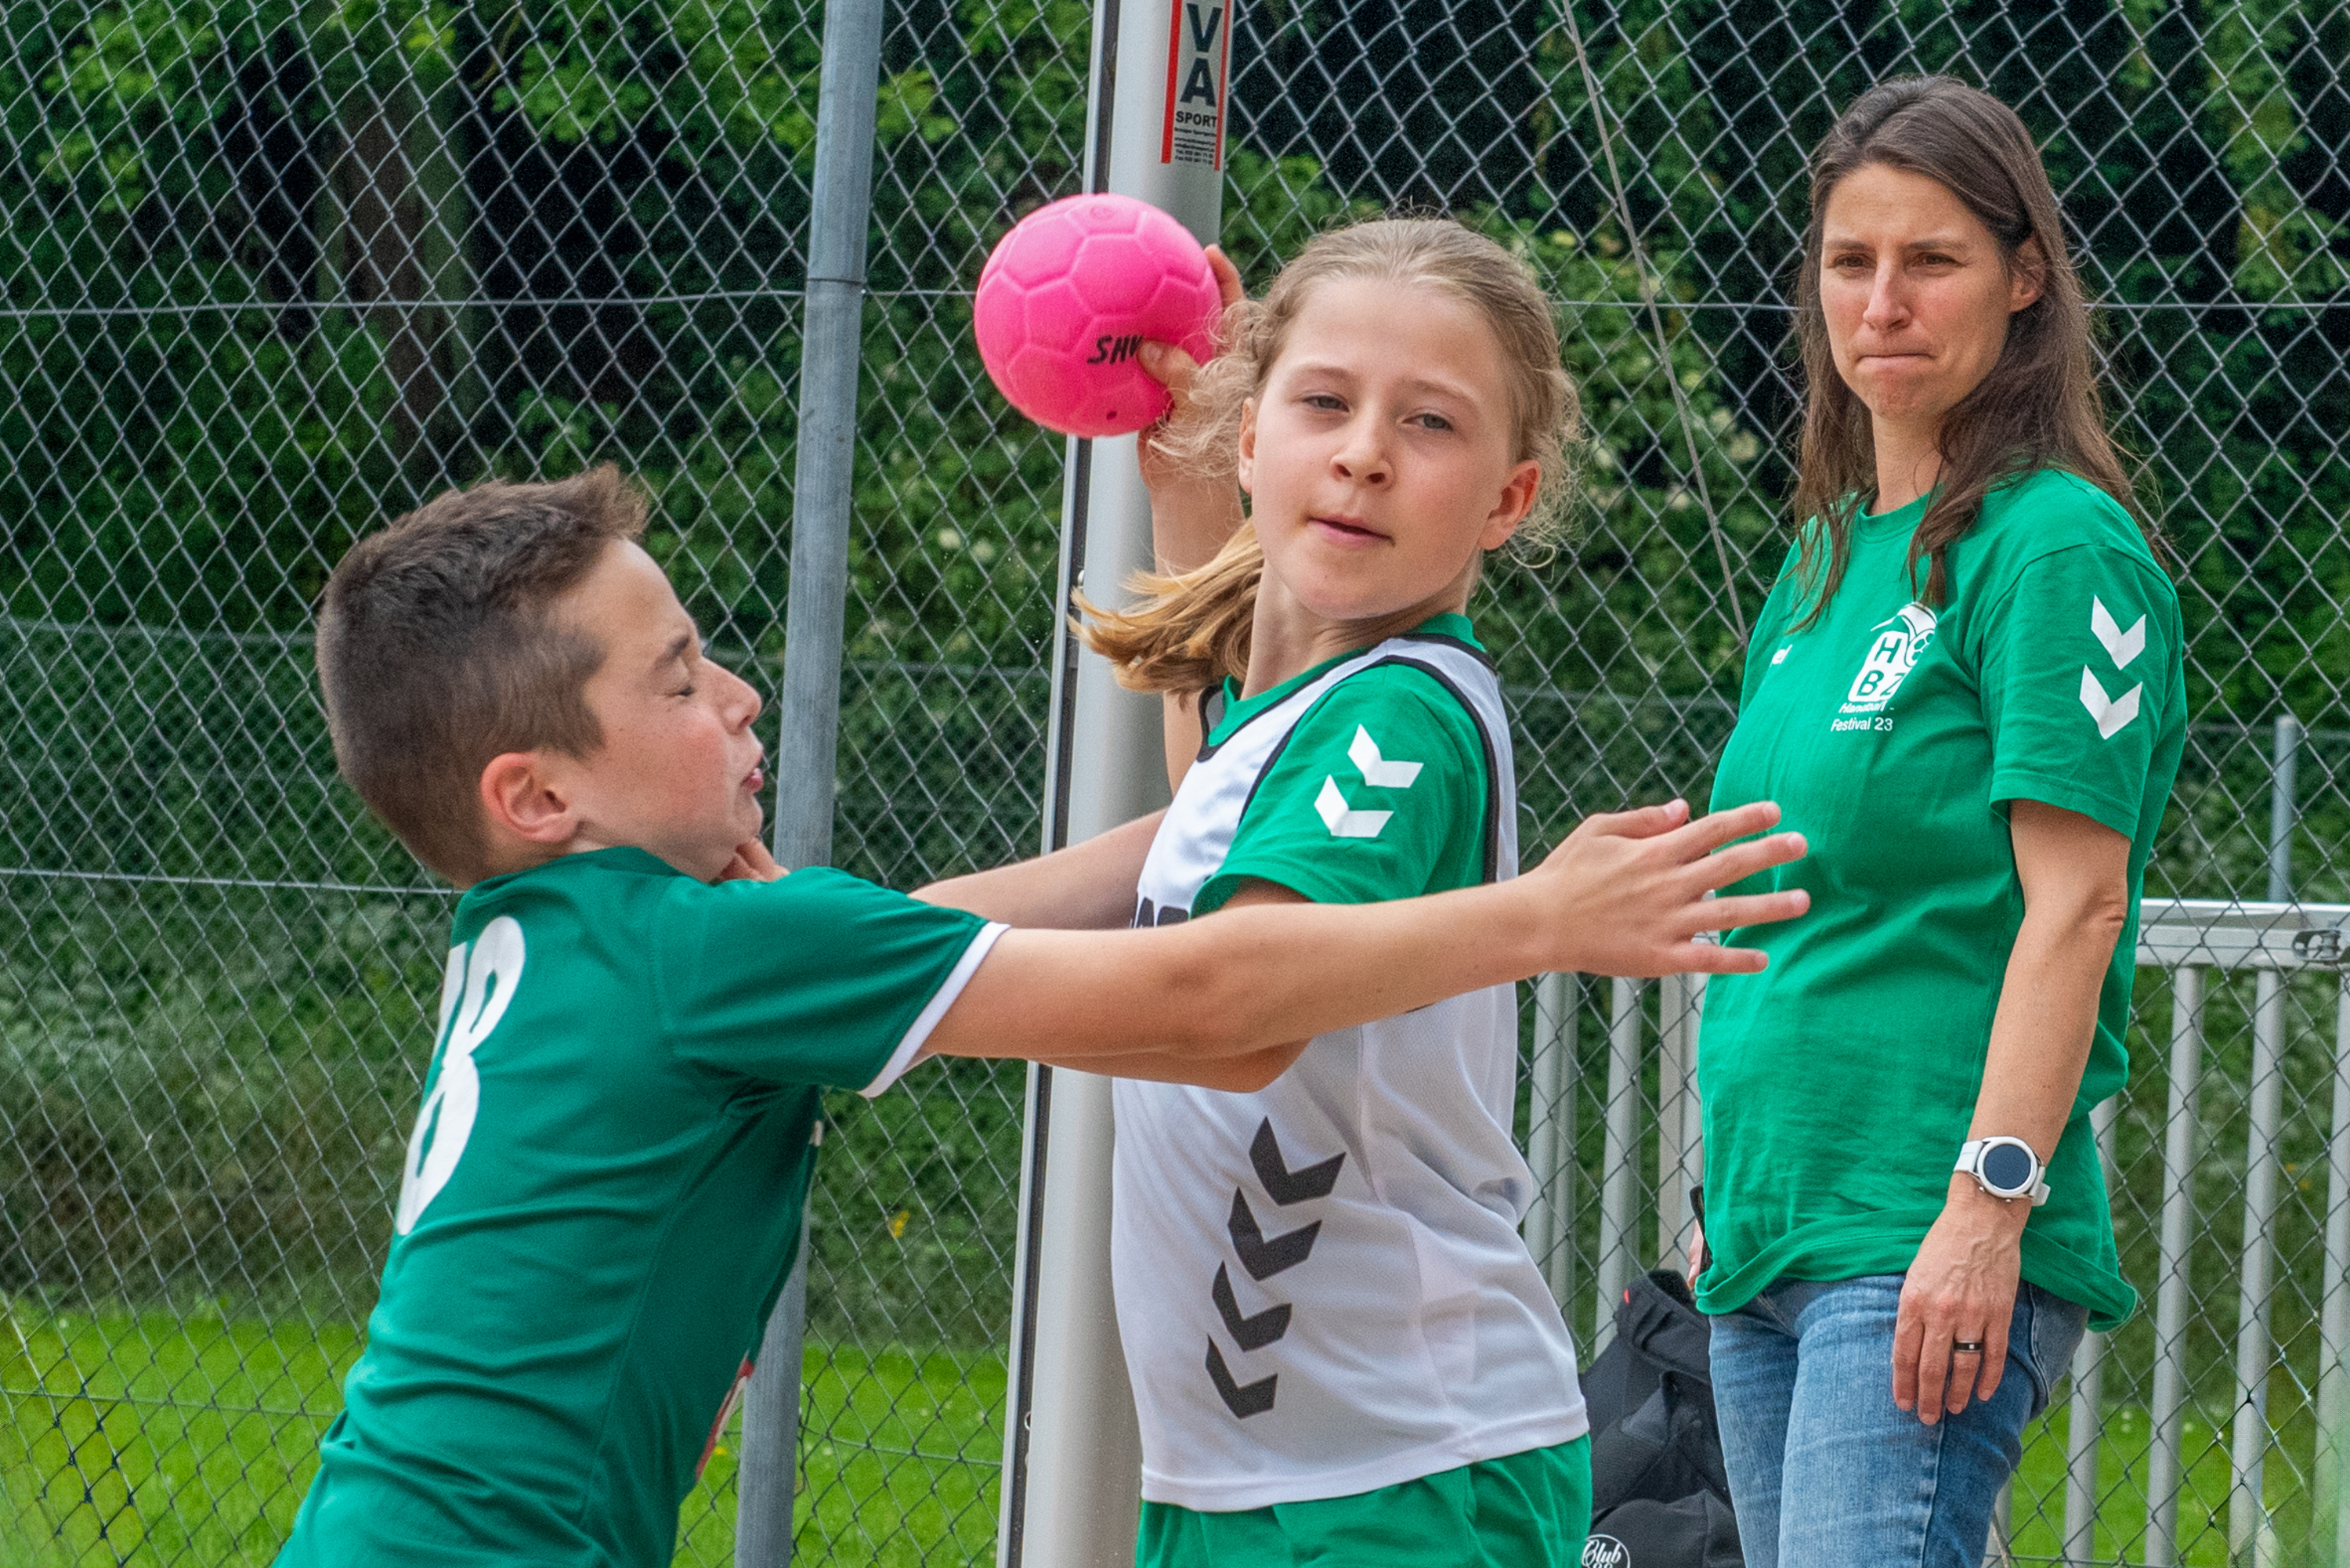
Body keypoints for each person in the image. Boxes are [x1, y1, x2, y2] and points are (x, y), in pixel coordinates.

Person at [277, 464, 1810, 1566]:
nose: (739, 693)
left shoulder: (560, 941)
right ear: (536, 793)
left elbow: (1028, 900)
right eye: (679, 682)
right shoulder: (706, 952)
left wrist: (1231, 659)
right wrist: (1539, 916)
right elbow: (1207, 1001)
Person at [975, 215, 1612, 1567]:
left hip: (1402, 1475)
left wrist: (899, 993)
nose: (1366, 449)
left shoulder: (1401, 717)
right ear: (1253, 431)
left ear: (1508, 499)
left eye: (1430, 425)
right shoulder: (1292, 710)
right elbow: (1190, 827)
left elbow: (1230, 1006)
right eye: (1323, 402)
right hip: (1253, 1469)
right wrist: (825, 934)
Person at [1694, 77, 2187, 1568]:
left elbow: (2079, 908)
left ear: (2025, 277)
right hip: (1766, 1237)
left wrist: (1986, 1215)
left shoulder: (2055, 542)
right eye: (1852, 263)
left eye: (1934, 260)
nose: (1885, 303)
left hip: (1920, 1234)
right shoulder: (1826, 560)